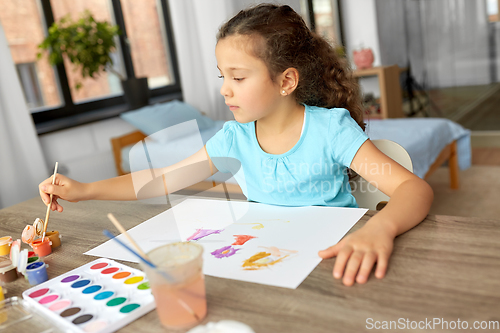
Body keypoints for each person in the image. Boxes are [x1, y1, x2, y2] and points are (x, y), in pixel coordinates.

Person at [39, 4, 433, 286]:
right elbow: (161, 179)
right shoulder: (234, 137)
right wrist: (85, 190)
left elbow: (413, 189)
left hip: (334, 262)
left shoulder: (331, 130)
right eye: (221, 76)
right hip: (268, 264)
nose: (225, 90)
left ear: (286, 82)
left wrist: (379, 229)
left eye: (239, 77)